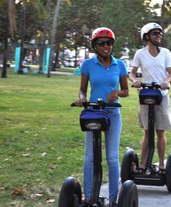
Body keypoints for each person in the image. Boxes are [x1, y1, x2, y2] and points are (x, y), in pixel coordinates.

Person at [75, 27, 129, 207]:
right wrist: (82, 99)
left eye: (109, 43)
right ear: (95, 46)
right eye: (101, 43)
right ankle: (89, 197)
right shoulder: (88, 65)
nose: (106, 46)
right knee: (90, 157)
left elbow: (126, 91)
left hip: (113, 113)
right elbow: (83, 89)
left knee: (112, 158)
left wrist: (117, 93)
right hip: (93, 113)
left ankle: (113, 199)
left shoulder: (120, 64)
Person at [129, 22, 171, 171]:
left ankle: (162, 164)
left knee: (160, 131)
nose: (159, 36)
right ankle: (143, 164)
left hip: (162, 95)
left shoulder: (166, 53)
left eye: (160, 33)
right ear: (147, 36)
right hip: (146, 95)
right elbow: (132, 72)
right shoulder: (140, 54)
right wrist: (135, 81)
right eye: (155, 33)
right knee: (147, 132)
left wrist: (166, 81)